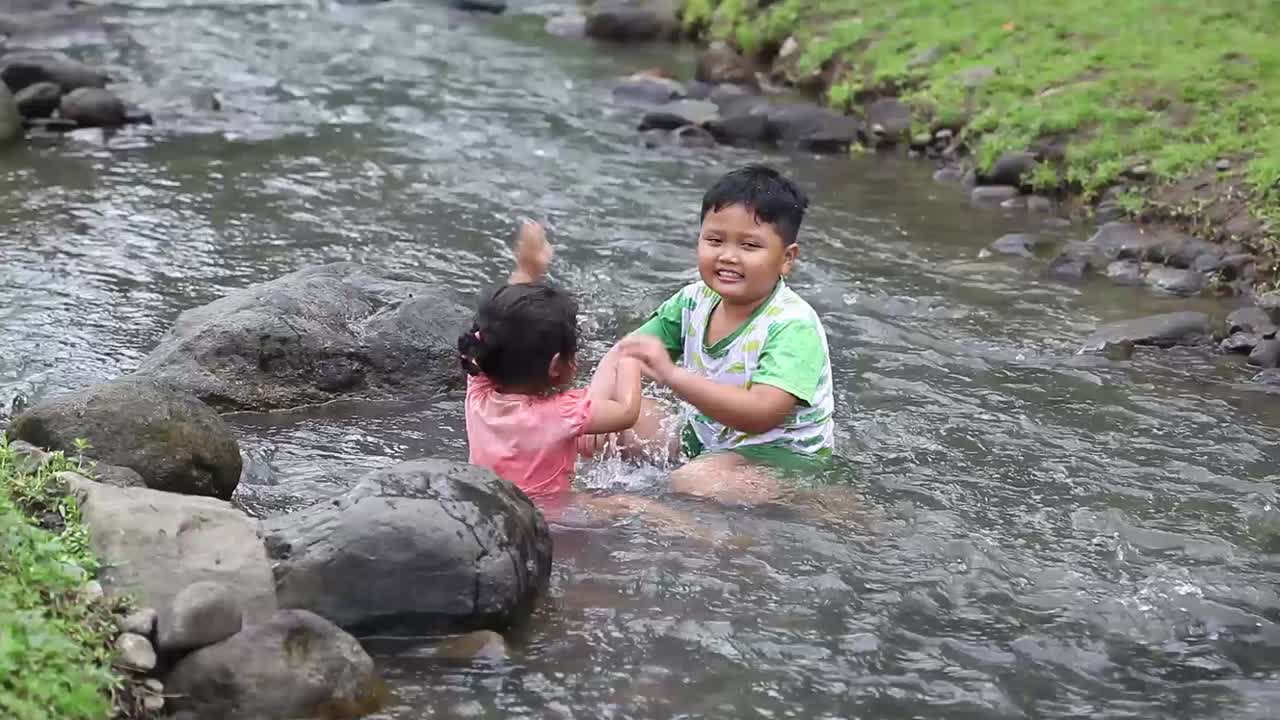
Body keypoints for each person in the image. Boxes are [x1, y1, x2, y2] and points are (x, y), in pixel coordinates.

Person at [582, 165, 835, 504]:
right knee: (606, 422)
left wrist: (672, 375)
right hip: (705, 437)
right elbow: (625, 353)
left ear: (786, 259)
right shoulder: (693, 300)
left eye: (749, 245)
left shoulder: (792, 324)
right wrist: (591, 409)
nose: (728, 256)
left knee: (694, 482)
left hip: (778, 459)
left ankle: (799, 504)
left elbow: (761, 413)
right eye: (715, 240)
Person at [458, 220, 645, 508]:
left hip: (489, 508)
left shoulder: (478, 388)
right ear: (556, 365)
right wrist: (632, 357)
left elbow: (496, 328)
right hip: (551, 518)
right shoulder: (562, 414)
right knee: (631, 504)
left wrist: (526, 271)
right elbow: (626, 412)